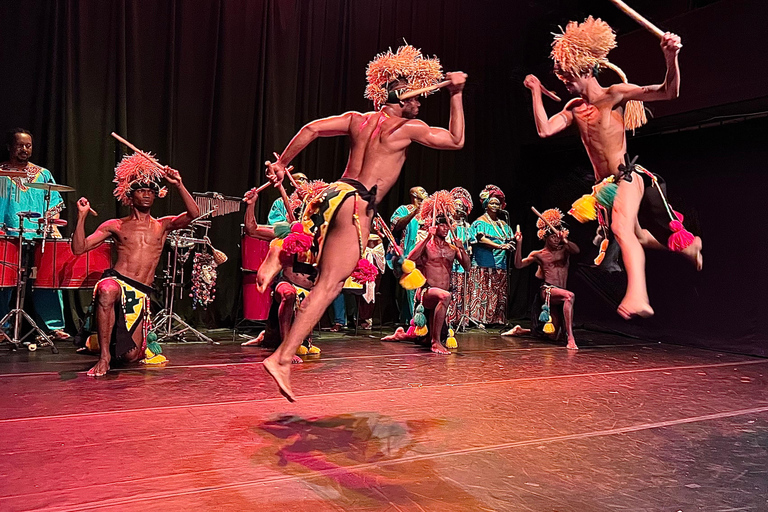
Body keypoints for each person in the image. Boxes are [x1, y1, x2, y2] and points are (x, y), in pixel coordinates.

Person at [262, 44, 466, 401]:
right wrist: (456, 95)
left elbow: (310, 129)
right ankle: (281, 358)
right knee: (329, 285)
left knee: (316, 267)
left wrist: (282, 162)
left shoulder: (357, 119)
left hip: (329, 194)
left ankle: (278, 252)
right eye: (417, 99)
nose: (420, 105)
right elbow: (455, 140)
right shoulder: (407, 128)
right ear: (401, 97)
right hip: (356, 204)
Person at [524, 16, 702, 320]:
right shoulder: (573, 108)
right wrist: (535, 92)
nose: (565, 83)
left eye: (569, 77)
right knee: (636, 235)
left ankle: (638, 296)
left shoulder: (615, 94)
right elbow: (545, 130)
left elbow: (668, 92)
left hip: (629, 176)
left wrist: (670, 57)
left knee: (621, 229)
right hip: (604, 188)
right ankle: (689, 247)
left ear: (587, 70)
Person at [72, 151, 199, 377]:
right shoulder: (115, 225)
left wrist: (179, 184)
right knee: (107, 289)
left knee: (130, 357)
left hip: (140, 293)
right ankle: (104, 357)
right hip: (118, 281)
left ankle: (105, 341)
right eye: (141, 190)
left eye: (151, 191)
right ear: (130, 197)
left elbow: (193, 214)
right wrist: (81, 217)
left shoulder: (163, 225)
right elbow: (79, 248)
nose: (147, 195)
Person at [0, 128, 68, 340]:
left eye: (28, 145)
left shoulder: (43, 174)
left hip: (38, 236)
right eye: (20, 145)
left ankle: (53, 327)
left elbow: (56, 202)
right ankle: (2, 326)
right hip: (8, 235)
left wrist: (49, 218)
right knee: (3, 281)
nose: (24, 149)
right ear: (10, 147)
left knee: (46, 280)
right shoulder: (1, 173)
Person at [504, 208, 579, 349]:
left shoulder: (565, 250)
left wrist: (565, 240)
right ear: (545, 237)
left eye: (557, 237)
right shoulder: (539, 254)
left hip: (561, 292)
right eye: (552, 237)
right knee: (570, 296)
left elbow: (576, 250)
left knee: (554, 335)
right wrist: (519, 243)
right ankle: (571, 339)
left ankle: (521, 330)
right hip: (548, 291)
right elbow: (519, 265)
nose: (556, 240)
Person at [407, 215, 470, 354]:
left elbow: (467, 267)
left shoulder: (452, 249)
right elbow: (410, 259)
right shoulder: (427, 246)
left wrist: (462, 249)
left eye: (448, 225)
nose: (446, 228)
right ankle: (436, 343)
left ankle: (402, 335)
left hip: (441, 295)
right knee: (445, 296)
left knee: (423, 339)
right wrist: (428, 237)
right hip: (427, 292)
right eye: (442, 225)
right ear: (435, 227)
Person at [468, 185, 513, 326]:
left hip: (500, 264)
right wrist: (500, 246)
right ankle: (479, 319)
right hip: (483, 263)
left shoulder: (503, 223)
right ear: (486, 205)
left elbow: (509, 239)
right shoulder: (480, 222)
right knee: (483, 290)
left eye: (497, 203)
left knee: (496, 292)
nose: (495, 205)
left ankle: (496, 319)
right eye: (492, 203)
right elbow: (481, 240)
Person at [390, 186, 428, 323]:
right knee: (410, 288)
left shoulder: (428, 212)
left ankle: (415, 319)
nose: (425, 193)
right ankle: (413, 320)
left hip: (425, 255)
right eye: (422, 191)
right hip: (408, 255)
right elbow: (396, 225)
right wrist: (414, 213)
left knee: (421, 288)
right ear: (413, 194)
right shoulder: (403, 210)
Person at [446, 187, 473, 328]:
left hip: (462, 264)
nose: (458, 208)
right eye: (456, 205)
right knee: (450, 289)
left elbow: (471, 245)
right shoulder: (447, 225)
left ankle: (460, 319)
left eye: (461, 205)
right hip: (449, 263)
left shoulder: (467, 227)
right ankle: (448, 318)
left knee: (461, 291)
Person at [358, 234, 385, 330]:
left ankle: (368, 317)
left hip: (375, 270)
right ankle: (362, 318)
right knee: (362, 292)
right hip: (362, 268)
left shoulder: (378, 246)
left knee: (372, 291)